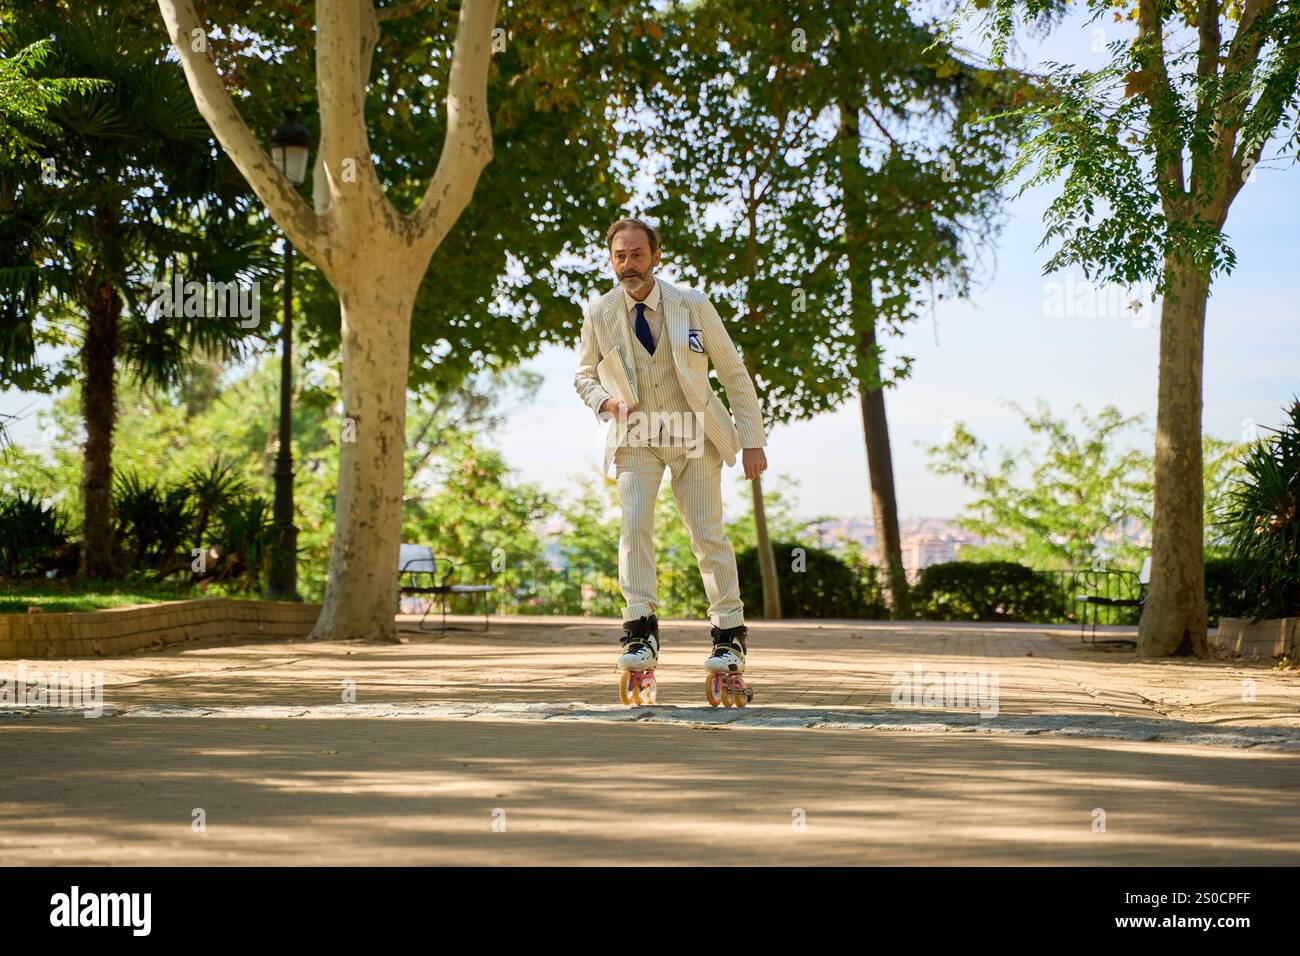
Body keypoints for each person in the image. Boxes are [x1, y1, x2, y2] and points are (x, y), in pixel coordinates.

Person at [573, 217, 769, 694]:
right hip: (637, 434)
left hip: (695, 433)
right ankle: (639, 632)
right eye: (619, 255)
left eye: (637, 254)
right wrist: (605, 401)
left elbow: (734, 373)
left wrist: (753, 440)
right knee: (634, 523)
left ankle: (728, 637)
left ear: (656, 257)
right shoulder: (599, 312)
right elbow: (583, 376)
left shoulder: (693, 305)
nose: (628, 264)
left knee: (707, 533)